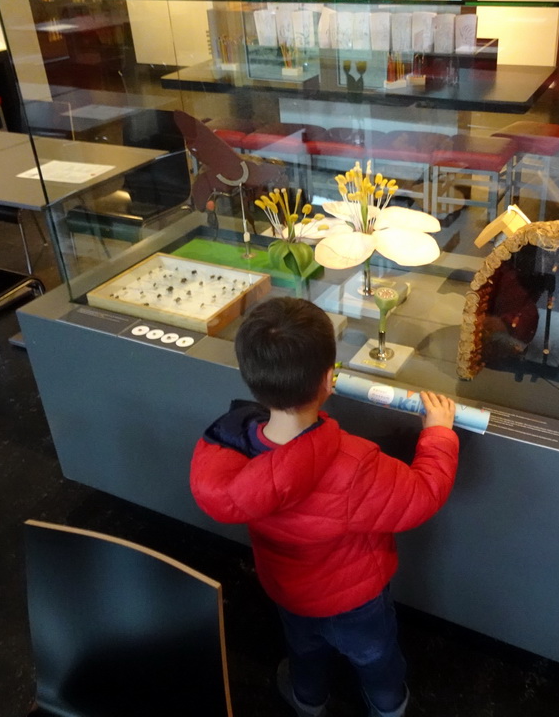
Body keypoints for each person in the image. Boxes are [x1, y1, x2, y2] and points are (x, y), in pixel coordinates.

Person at [190, 297, 459, 717]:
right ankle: (389, 707)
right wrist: (439, 434)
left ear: (253, 379)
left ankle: (308, 700)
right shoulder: (353, 464)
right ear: (329, 379)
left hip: (287, 589)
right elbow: (423, 495)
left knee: (303, 648)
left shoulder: (231, 449)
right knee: (375, 657)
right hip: (356, 600)